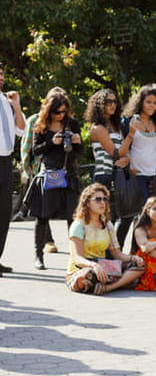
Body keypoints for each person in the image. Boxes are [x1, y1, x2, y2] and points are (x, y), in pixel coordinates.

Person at [24, 88, 82, 270]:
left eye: (64, 111)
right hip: (49, 174)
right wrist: (52, 142)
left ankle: (76, 257)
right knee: (42, 217)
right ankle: (38, 255)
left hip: (69, 174)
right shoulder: (40, 124)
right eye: (57, 112)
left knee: (73, 218)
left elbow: (79, 152)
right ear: (49, 111)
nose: (61, 115)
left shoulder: (72, 123)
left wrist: (78, 142)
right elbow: (35, 151)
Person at [65, 183, 145, 295]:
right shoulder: (79, 225)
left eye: (105, 199)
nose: (102, 202)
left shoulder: (108, 225)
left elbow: (117, 254)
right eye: (97, 199)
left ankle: (108, 287)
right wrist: (94, 265)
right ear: (87, 203)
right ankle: (119, 282)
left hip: (104, 266)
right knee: (89, 276)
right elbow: (78, 258)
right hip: (83, 268)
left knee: (138, 267)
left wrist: (133, 258)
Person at [86, 89, 134, 247]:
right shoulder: (97, 128)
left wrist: (127, 158)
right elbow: (115, 152)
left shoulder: (116, 126)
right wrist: (130, 135)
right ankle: (106, 256)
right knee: (107, 219)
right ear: (99, 105)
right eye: (108, 102)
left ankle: (114, 252)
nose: (112, 104)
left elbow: (124, 153)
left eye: (115, 101)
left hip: (119, 176)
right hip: (104, 177)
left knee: (127, 215)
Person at [16, 103, 57, 253]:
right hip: (39, 169)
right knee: (43, 206)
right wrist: (27, 170)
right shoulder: (35, 120)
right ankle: (48, 241)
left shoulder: (65, 120)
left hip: (58, 168)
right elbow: (26, 146)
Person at [120, 85, 156, 202]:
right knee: (140, 211)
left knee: (153, 209)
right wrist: (129, 165)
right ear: (140, 102)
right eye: (148, 102)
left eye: (155, 103)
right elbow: (123, 145)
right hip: (136, 174)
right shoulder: (127, 121)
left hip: (154, 174)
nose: (152, 105)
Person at [0, 62, 26, 276]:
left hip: (6, 161)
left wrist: (16, 106)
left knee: (4, 212)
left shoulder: (7, 102)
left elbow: (21, 130)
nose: (0, 77)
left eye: (1, 74)